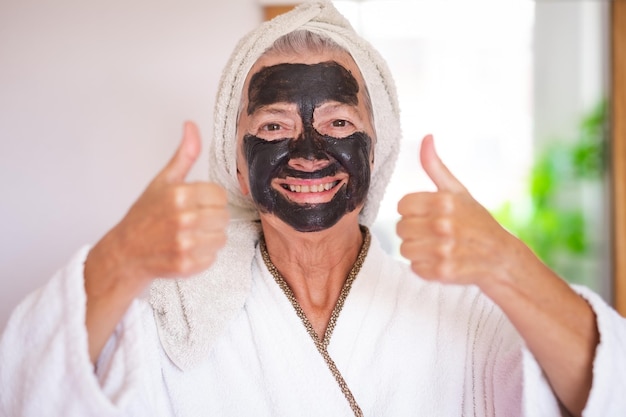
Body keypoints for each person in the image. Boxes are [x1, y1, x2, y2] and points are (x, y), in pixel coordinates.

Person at [1, 1, 625, 416]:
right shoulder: (172, 321)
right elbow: (27, 393)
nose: (306, 152)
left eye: (338, 120)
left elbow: (607, 393)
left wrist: (506, 265)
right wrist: (121, 259)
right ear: (237, 161)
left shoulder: (457, 314)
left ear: (376, 152)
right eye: (272, 126)